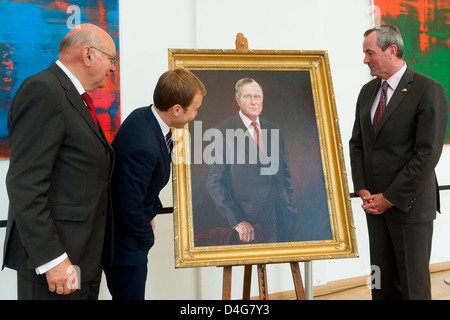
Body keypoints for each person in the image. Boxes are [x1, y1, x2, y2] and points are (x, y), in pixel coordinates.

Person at [2, 23, 116, 299]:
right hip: (57, 265)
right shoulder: (43, 91)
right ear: (88, 54)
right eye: (111, 59)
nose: (113, 68)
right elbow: (25, 184)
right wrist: (52, 259)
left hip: (82, 258)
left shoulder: (72, 97)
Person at [349, 25, 448, 300]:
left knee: (412, 287)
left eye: (370, 52)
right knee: (379, 281)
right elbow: (357, 143)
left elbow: (427, 155)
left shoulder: (429, 90)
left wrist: (390, 197)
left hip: (408, 206)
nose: (365, 59)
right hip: (374, 207)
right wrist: (363, 189)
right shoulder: (367, 92)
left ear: (391, 51)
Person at [104, 68, 205, 300]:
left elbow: (142, 186)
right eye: (195, 109)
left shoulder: (144, 116)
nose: (196, 114)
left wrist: (151, 210)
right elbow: (129, 206)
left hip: (125, 238)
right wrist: (146, 238)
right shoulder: (145, 146)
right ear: (177, 110)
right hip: (125, 248)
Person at [205, 78, 298, 245]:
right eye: (248, 96)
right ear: (237, 99)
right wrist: (237, 221)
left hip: (281, 220)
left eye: (258, 96)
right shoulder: (222, 132)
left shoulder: (273, 129)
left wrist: (291, 206)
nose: (254, 102)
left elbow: (285, 174)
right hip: (248, 228)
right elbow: (214, 183)